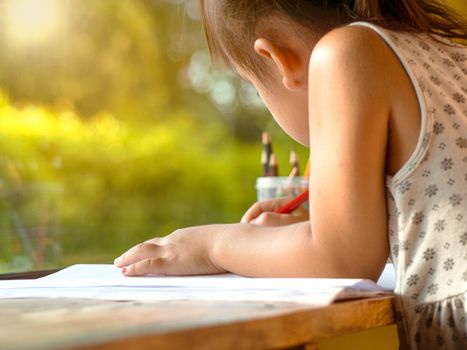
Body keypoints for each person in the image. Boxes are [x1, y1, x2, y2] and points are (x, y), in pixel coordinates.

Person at [114, 1, 467, 348]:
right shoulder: (448, 51)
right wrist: (307, 233)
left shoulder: (344, 53)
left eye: (252, 82)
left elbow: (339, 260)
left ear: (278, 59)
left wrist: (212, 245)